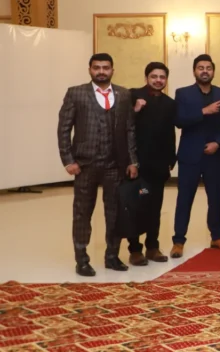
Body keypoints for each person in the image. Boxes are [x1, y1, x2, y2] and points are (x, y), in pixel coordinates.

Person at [58, 53, 139, 276]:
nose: (101, 71)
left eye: (105, 67)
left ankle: (112, 256)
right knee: (82, 213)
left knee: (114, 212)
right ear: (90, 69)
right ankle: (82, 260)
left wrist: (133, 161)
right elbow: (64, 129)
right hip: (85, 164)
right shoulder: (76, 93)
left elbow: (130, 130)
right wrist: (68, 160)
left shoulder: (124, 94)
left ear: (112, 70)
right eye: (96, 67)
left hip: (115, 164)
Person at [172, 54, 220, 258]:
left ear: (213, 71)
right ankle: (178, 240)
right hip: (189, 155)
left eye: (208, 68)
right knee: (184, 199)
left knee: (216, 198)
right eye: (201, 68)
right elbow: (179, 121)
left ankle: (217, 236)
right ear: (194, 71)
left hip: (214, 155)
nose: (205, 71)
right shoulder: (183, 93)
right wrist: (203, 111)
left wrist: (218, 143)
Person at [127, 62, 176, 266]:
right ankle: (134, 249)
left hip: (158, 166)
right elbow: (122, 125)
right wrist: (135, 110)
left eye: (162, 77)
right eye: (154, 76)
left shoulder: (169, 103)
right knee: (135, 207)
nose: (158, 80)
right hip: (136, 165)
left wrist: (171, 159)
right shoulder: (132, 95)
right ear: (146, 77)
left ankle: (152, 247)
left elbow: (170, 133)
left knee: (155, 208)